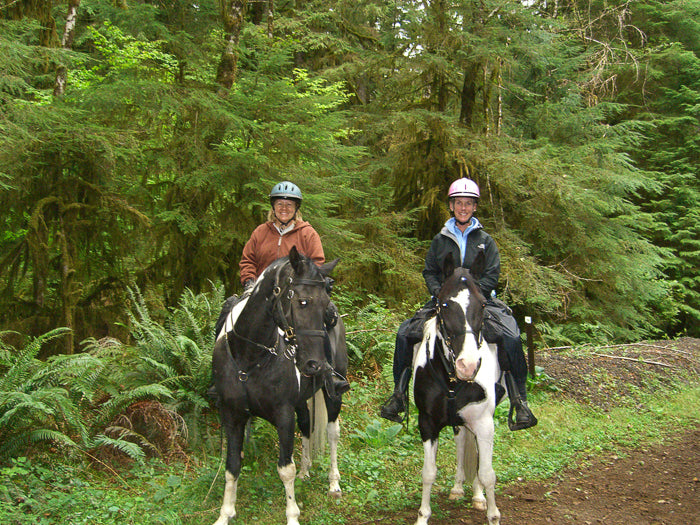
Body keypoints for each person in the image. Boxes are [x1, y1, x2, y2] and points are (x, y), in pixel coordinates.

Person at [379, 177, 537, 430]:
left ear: (475, 207)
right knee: (405, 333)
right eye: (458, 203)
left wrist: (473, 296)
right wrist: (440, 293)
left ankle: (521, 402)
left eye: (468, 204)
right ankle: (398, 396)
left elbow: (492, 273)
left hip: (480, 303)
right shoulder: (439, 240)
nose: (463, 208)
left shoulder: (486, 240)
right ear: (451, 206)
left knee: (512, 337)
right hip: (445, 303)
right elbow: (429, 271)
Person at [216, 181, 349, 396]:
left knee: (328, 316)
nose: (284, 208)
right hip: (260, 293)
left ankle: (328, 372)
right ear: (273, 207)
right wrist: (249, 282)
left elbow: (316, 263)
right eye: (279, 204)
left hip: (297, 293)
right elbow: (247, 260)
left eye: (289, 205)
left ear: (296, 208)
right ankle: (220, 372)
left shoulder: (308, 234)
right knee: (228, 311)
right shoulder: (260, 232)